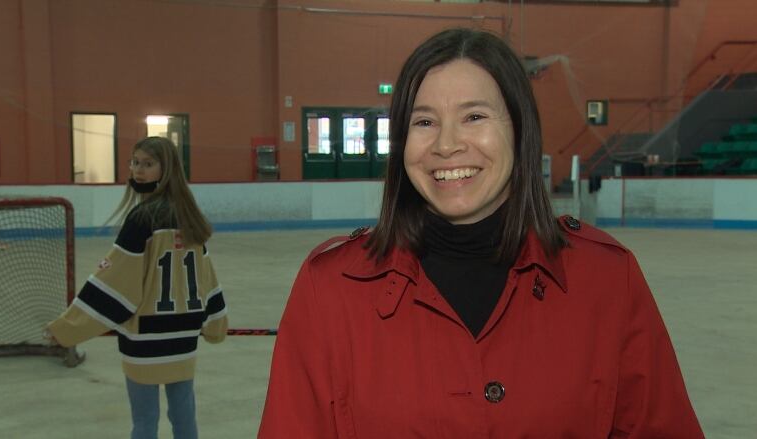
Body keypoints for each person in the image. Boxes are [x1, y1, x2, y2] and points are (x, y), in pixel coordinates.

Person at [258, 28, 703, 438]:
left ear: (520, 129)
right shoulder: (330, 289)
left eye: (474, 116)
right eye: (424, 121)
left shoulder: (607, 280)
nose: (447, 144)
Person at [46, 136, 228, 439]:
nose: (138, 171)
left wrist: (67, 328)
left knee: (144, 420)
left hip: (147, 338)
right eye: (135, 163)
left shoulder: (142, 218)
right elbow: (207, 280)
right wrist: (216, 325)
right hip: (183, 338)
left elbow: (115, 282)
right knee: (184, 415)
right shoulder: (190, 218)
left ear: (166, 169)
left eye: (147, 164)